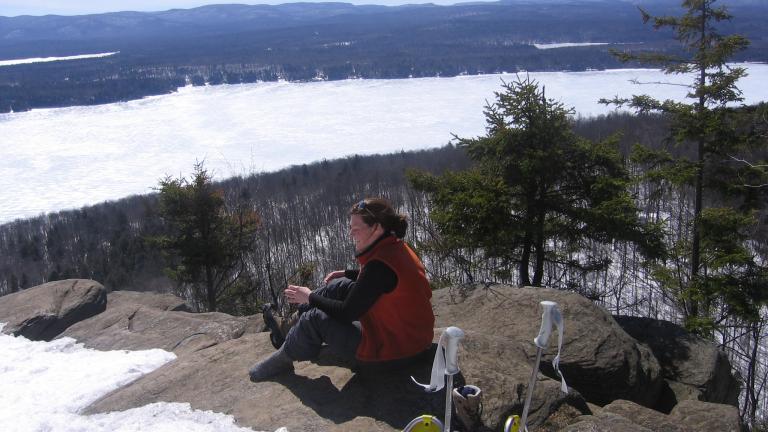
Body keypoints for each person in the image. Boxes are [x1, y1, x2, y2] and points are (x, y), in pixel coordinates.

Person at [248, 197, 435, 381]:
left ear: (377, 228)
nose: (351, 234)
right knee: (341, 285)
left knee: (314, 319)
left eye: (356, 229)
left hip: (394, 354)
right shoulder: (395, 247)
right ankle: (288, 330)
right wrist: (346, 273)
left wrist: (310, 297)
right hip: (408, 339)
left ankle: (283, 358)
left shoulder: (379, 266)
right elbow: (382, 281)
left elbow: (346, 312)